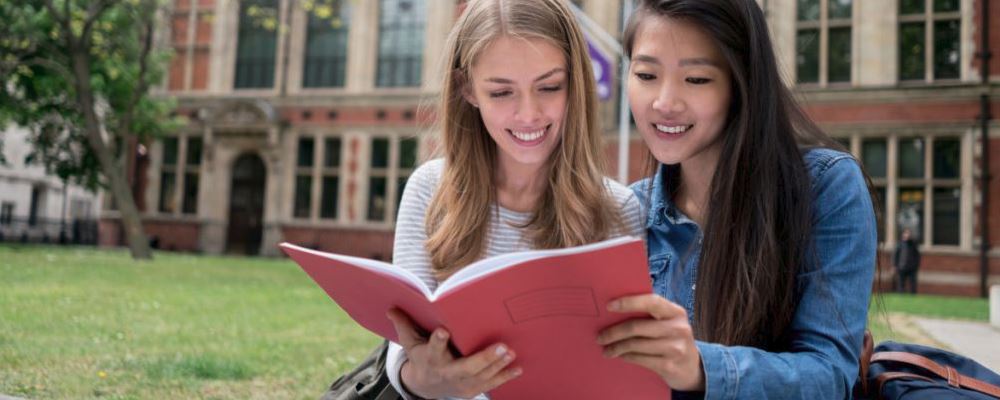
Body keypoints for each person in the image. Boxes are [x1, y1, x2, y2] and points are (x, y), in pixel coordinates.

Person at [597, 0, 879, 398]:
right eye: (646, 74)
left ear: (741, 83)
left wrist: (699, 367)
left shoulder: (826, 187)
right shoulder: (627, 210)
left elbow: (830, 375)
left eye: (696, 79)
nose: (664, 102)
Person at [382, 0, 646, 399]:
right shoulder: (429, 190)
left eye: (549, 87)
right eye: (502, 91)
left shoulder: (618, 209)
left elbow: (626, 365)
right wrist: (427, 379)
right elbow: (403, 360)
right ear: (467, 89)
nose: (528, 114)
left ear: (576, 83)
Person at [894, 228, 921, 294]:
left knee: (913, 284)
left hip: (911, 268)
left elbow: (917, 256)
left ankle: (913, 296)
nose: (907, 235)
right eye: (905, 233)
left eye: (908, 233)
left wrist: (916, 265)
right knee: (901, 284)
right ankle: (901, 296)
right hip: (901, 267)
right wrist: (895, 265)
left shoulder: (913, 244)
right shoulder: (899, 244)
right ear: (903, 234)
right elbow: (895, 255)